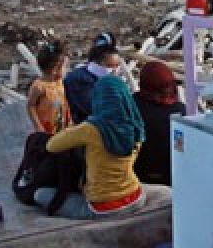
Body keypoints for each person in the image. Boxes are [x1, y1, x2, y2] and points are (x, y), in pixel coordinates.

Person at [34, 76, 145, 219]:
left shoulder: (91, 129)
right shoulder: (136, 126)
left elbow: (51, 146)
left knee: (40, 195)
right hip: (136, 197)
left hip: (103, 208)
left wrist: (74, 129)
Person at [133, 60, 185, 186]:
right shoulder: (180, 111)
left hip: (136, 177)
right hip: (172, 178)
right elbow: (182, 147)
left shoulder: (131, 105)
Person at [63, 32, 122, 123]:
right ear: (99, 62)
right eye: (111, 66)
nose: (115, 70)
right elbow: (95, 110)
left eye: (117, 66)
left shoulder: (83, 74)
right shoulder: (80, 81)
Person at [27, 41, 71, 135]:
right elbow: (30, 106)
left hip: (61, 128)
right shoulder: (39, 87)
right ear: (55, 69)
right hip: (46, 131)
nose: (67, 70)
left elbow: (64, 103)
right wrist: (38, 126)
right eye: (65, 67)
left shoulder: (59, 82)